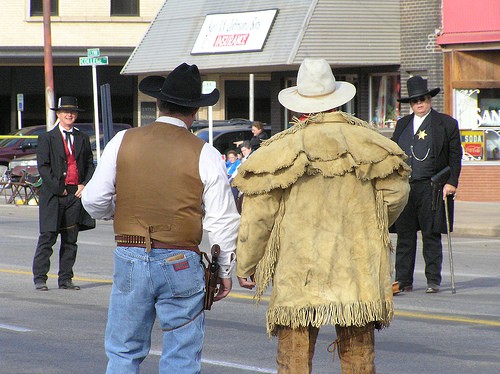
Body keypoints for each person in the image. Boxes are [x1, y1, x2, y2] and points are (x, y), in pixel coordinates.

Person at [233, 58, 410, 373]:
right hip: (357, 264)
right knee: (359, 357)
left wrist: (246, 264)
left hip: (299, 269)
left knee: (294, 358)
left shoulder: (279, 149)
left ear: (297, 106)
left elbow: (258, 215)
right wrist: (369, 222)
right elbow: (396, 194)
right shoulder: (369, 142)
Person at [81, 63, 240, 373]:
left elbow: (93, 200)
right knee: (181, 356)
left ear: (158, 104)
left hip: (130, 252)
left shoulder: (122, 141)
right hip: (181, 257)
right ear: (194, 111)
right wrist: (224, 269)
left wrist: (119, 211)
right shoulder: (204, 152)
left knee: (124, 351)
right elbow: (222, 218)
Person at [391, 75, 462, 295]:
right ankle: (403, 280)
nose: (419, 103)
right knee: (405, 235)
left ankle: (433, 279)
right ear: (410, 104)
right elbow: (392, 154)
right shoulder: (403, 125)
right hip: (406, 187)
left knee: (431, 235)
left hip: (433, 187)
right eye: (415, 101)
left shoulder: (446, 124)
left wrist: (451, 182)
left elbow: (454, 155)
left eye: (423, 99)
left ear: (429, 99)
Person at [32, 96, 95, 291]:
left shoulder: (83, 138)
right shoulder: (46, 138)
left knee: (70, 239)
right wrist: (59, 188)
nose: (70, 114)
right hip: (53, 195)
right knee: (48, 237)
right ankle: (40, 278)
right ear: (58, 114)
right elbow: (43, 167)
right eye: (65, 111)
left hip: (75, 195)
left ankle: (66, 279)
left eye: (73, 112)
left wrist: (84, 184)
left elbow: (90, 165)